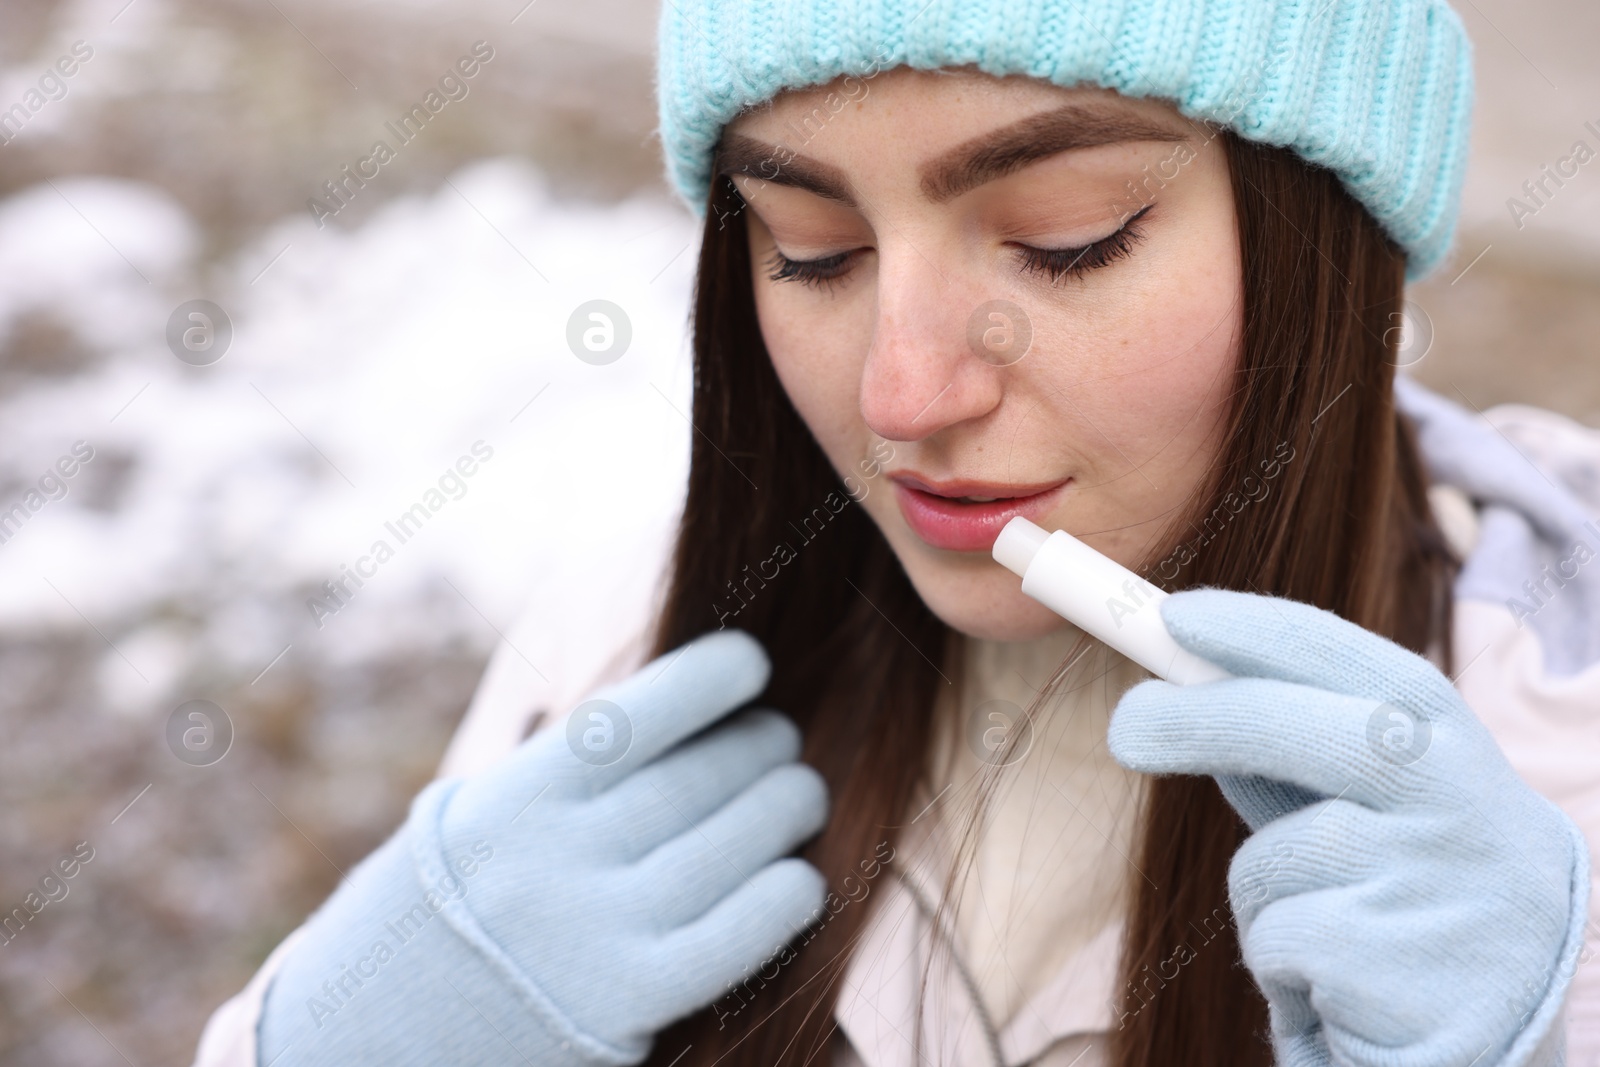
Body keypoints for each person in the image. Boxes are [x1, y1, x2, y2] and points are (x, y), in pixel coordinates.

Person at [193, 0, 1600, 1064]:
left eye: (1067, 238)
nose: (901, 395)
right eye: (811, 247)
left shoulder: (1560, 728)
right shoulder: (642, 645)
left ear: (1325, 232)